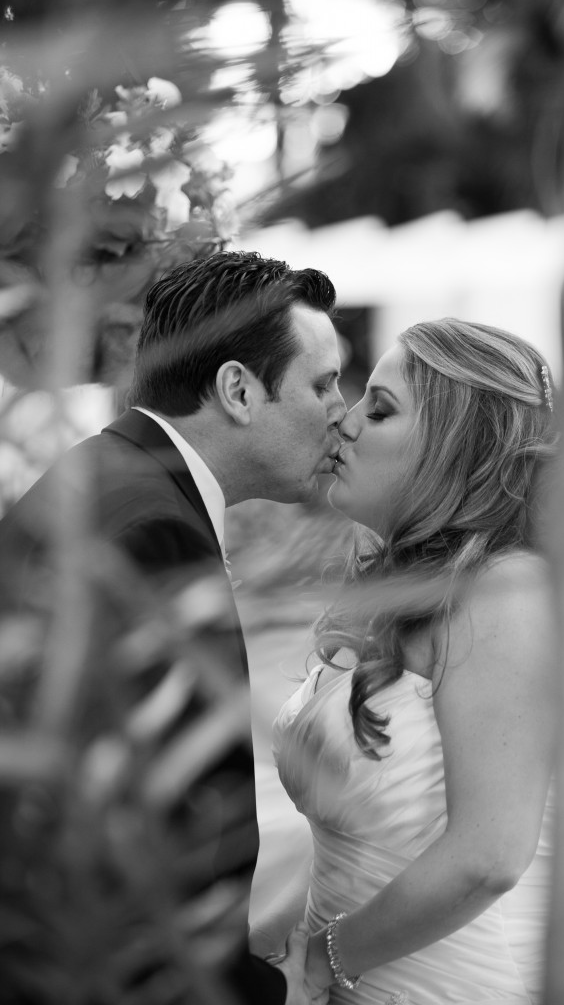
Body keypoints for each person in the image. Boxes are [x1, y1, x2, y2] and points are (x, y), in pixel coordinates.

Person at [0, 250, 346, 1005]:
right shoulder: (154, 529)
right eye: (323, 384)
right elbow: (161, 837)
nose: (340, 410)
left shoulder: (107, 475)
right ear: (238, 390)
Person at [265, 319, 564, 1004]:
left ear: (455, 446)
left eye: (379, 409)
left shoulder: (506, 594)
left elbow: (488, 857)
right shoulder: (402, 594)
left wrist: (320, 962)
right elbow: (354, 844)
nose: (342, 422)